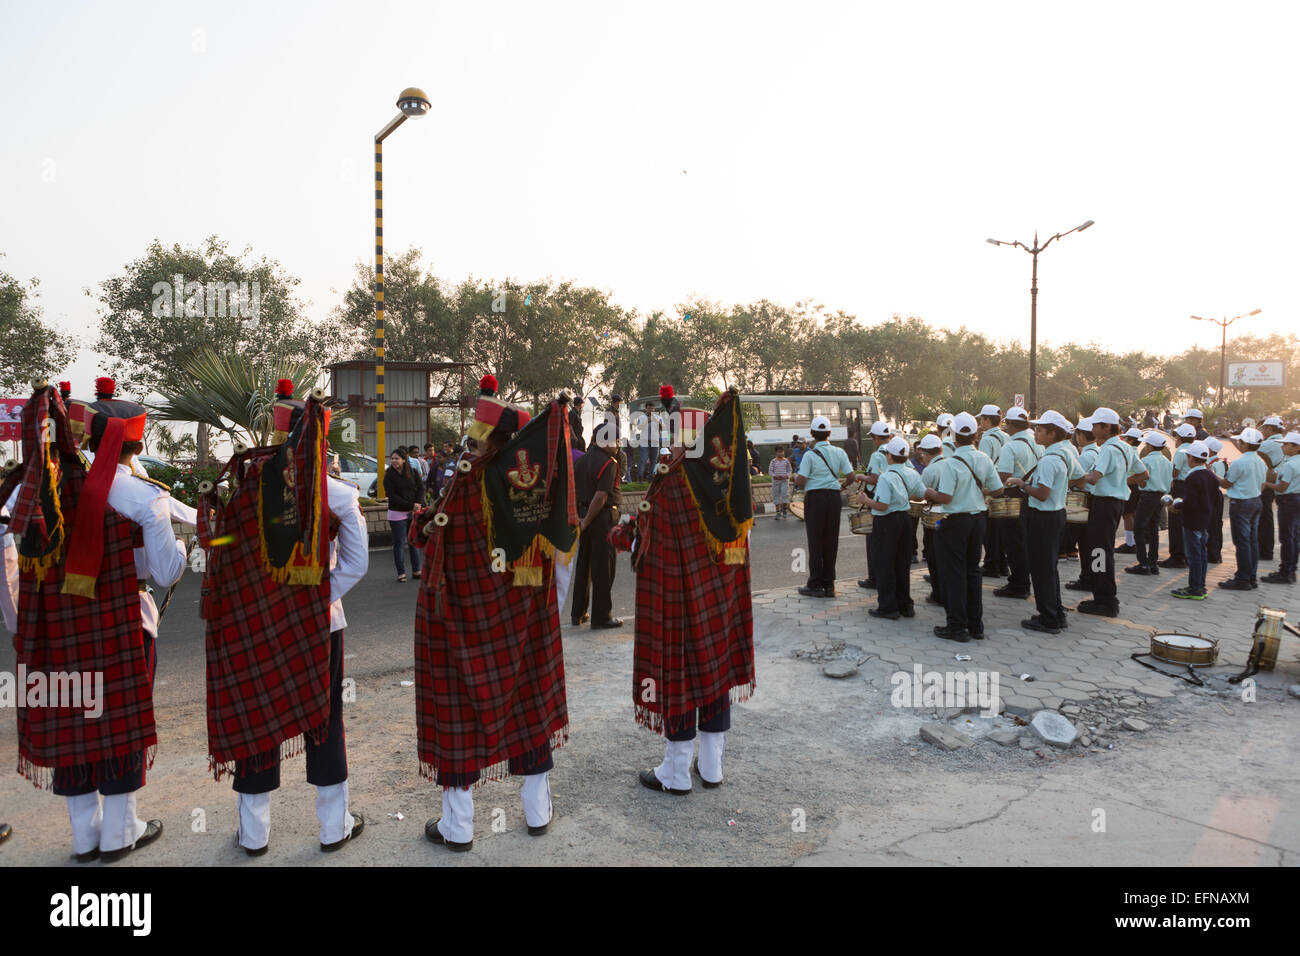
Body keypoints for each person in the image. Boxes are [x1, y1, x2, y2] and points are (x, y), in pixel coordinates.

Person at [4, 386, 187, 862]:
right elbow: (166, 573)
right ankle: (121, 833)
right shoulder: (142, 497)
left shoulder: (28, 490)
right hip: (119, 627)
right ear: (137, 445)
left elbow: (7, 566)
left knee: (70, 725)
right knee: (117, 726)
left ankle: (85, 838)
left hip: (49, 633)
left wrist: (22, 627)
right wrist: (187, 552)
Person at [209, 382, 367, 855]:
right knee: (325, 720)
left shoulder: (242, 491)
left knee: (257, 720)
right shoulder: (337, 494)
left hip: (256, 626)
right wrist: (313, 601)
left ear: (274, 434)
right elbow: (357, 565)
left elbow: (224, 558)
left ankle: (254, 836)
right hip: (320, 626)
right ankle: (332, 829)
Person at [415, 379, 572, 851]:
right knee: (532, 708)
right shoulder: (536, 489)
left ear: (490, 437)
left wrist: (422, 527)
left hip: (461, 624)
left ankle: (458, 829)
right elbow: (560, 556)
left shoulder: (465, 483)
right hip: (526, 620)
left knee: (459, 717)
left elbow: (437, 550)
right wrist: (549, 613)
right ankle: (537, 813)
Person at [610, 390, 755, 796]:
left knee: (676, 678)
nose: (668, 445)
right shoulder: (727, 486)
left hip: (674, 599)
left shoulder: (672, 482)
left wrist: (621, 536)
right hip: (719, 601)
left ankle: (675, 774)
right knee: (714, 672)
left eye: (673, 437)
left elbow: (645, 540)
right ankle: (711, 767)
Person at [923, 412, 1002, 642]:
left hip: (954, 521)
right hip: (978, 519)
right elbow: (998, 490)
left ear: (954, 437)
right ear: (976, 434)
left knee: (953, 573)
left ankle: (956, 625)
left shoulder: (952, 463)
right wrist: (979, 492)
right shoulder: (984, 459)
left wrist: (929, 493)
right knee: (973, 571)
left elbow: (945, 497)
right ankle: (976, 625)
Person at [1005, 410, 1075, 633]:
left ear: (1052, 434)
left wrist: (1021, 484)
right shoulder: (1064, 453)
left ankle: (1049, 618)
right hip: (1055, 515)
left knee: (1042, 570)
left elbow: (1042, 493)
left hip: (1044, 517)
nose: (1035, 433)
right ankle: (1055, 612)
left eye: (1040, 430)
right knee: (1048, 568)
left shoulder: (1050, 460)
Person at [854, 436, 924, 619]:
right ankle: (905, 605)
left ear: (890, 456)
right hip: (905, 519)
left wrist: (865, 500)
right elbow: (919, 496)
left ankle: (887, 607)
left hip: (887, 522)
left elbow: (882, 506)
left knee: (885, 564)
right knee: (902, 563)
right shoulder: (912, 473)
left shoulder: (886, 477)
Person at [794, 415, 856, 598]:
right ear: (829, 433)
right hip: (834, 497)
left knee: (816, 541)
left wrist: (796, 478)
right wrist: (840, 487)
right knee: (831, 540)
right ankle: (829, 584)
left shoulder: (810, 455)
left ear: (812, 434)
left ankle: (815, 583)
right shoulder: (839, 453)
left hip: (816, 498)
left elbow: (802, 480)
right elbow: (851, 477)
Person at [1077, 407, 1129, 617]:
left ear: (1106, 427)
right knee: (1103, 549)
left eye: (1096, 426)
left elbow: (1093, 478)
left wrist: (1072, 479)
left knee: (1099, 552)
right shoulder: (1124, 447)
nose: (1093, 429)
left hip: (1104, 503)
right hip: (1115, 502)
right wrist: (1118, 483)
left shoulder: (1107, 448)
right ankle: (1104, 596)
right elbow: (1142, 473)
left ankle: (1105, 599)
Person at [571, 432, 623, 628]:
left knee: (584, 565)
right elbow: (601, 497)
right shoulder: (608, 463)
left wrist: (581, 519)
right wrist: (587, 520)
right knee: (603, 568)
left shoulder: (581, 461)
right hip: (601, 518)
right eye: (615, 440)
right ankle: (601, 617)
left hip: (583, 515)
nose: (618, 444)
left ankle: (578, 613)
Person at [992, 406, 1041, 600]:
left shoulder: (1011, 445)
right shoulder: (1036, 440)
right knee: (1024, 539)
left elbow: (1003, 474)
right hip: (1031, 494)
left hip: (1013, 494)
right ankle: (1023, 580)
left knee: (1013, 541)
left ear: (1009, 424)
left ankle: (1019, 584)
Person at [1213, 426, 1267, 590]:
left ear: (1244, 444)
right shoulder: (1260, 461)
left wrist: (1211, 473)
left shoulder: (1240, 462)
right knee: (1252, 541)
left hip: (1241, 502)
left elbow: (1226, 483)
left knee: (1242, 542)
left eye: (1240, 441)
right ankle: (1251, 576)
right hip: (1255, 500)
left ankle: (1242, 578)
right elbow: (1263, 484)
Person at [1170, 442, 1217, 599]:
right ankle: (1200, 586)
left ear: (1191, 458)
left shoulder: (1192, 477)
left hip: (1192, 520)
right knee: (1202, 554)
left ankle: (1195, 587)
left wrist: (1177, 505)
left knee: (1194, 556)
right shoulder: (1210, 475)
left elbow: (1189, 502)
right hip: (1205, 520)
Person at [1128, 431, 1173, 575]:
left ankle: (1142, 563)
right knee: (1154, 529)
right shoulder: (1167, 462)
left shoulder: (1146, 461)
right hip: (1160, 496)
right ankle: (1153, 563)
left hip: (1148, 495)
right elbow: (1169, 483)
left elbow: (1141, 480)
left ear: (1149, 446)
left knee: (1139, 528)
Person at [1262, 430, 1300, 584]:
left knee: (1287, 538)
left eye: (1286, 444)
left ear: (1296, 447)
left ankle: (1285, 572)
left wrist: (1266, 484)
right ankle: (1290, 570)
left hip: (1288, 500)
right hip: (1296, 499)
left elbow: (1282, 487)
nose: (1283, 447)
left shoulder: (1291, 464)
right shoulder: (1293, 461)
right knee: (1294, 537)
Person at [858, 420, 893, 589]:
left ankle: (874, 578)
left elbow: (873, 478)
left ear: (877, 438)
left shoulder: (877, 455)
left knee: (873, 541)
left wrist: (861, 477)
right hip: (894, 502)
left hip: (877, 499)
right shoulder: (896, 452)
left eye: (873, 437)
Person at [976, 405, 1010, 578]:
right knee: (1000, 528)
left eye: (982, 419)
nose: (981, 422)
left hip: (991, 485)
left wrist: (982, 489)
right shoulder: (1006, 436)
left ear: (988, 420)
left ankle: (991, 564)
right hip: (1005, 485)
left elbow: (983, 465)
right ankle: (1003, 564)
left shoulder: (987, 438)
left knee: (990, 530)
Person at [914, 434, 947, 606]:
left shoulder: (930, 471)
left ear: (926, 454)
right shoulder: (950, 464)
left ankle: (938, 594)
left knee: (934, 556)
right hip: (950, 517)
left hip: (934, 519)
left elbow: (920, 493)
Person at [1159, 423, 1197, 570]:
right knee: (1186, 523)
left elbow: (1175, 473)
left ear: (1180, 438)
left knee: (1175, 523)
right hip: (1192, 487)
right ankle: (1186, 555)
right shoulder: (1194, 449)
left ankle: (1176, 557)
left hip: (1180, 487)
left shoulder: (1181, 451)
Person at [385, 448, 424, 582]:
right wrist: (410, 506)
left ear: (404, 459)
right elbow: (392, 496)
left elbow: (420, 488)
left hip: (413, 512)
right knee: (399, 543)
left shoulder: (412, 472)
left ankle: (416, 570)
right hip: (397, 513)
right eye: (393, 458)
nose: (394, 461)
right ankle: (401, 573)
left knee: (413, 541)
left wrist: (418, 503)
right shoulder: (389, 475)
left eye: (397, 458)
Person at [1257, 416, 1286, 562]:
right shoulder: (1281, 440)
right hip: (1276, 480)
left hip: (1268, 481)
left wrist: (1231, 439)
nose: (1262, 430)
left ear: (1270, 429)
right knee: (1266, 515)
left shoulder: (1270, 443)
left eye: (1264, 428)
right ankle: (1265, 550)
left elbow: (1249, 449)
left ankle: (1265, 551)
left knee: (1264, 517)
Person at [1116, 427, 1145, 554]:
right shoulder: (1134, 451)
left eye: (1126, 438)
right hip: (1134, 484)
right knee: (1130, 514)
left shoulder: (1130, 452)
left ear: (1132, 441)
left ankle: (1130, 543)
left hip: (1130, 484)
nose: (1124, 440)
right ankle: (1131, 541)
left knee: (1127, 515)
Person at [1205, 436, 1227, 562]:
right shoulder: (1215, 461)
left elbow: (1216, 480)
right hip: (1214, 494)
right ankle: (1213, 552)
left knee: (1213, 524)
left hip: (1212, 494)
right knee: (1213, 523)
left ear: (1210, 450)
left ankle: (1214, 553)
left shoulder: (1216, 463)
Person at [768, 445, 793, 518]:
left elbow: (790, 470)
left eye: (782, 452)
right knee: (776, 496)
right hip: (776, 482)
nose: (780, 453)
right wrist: (774, 476)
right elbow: (770, 471)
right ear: (776, 453)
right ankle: (778, 512)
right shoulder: (773, 461)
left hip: (784, 481)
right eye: (779, 452)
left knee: (785, 495)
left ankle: (784, 510)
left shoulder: (786, 461)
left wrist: (787, 475)